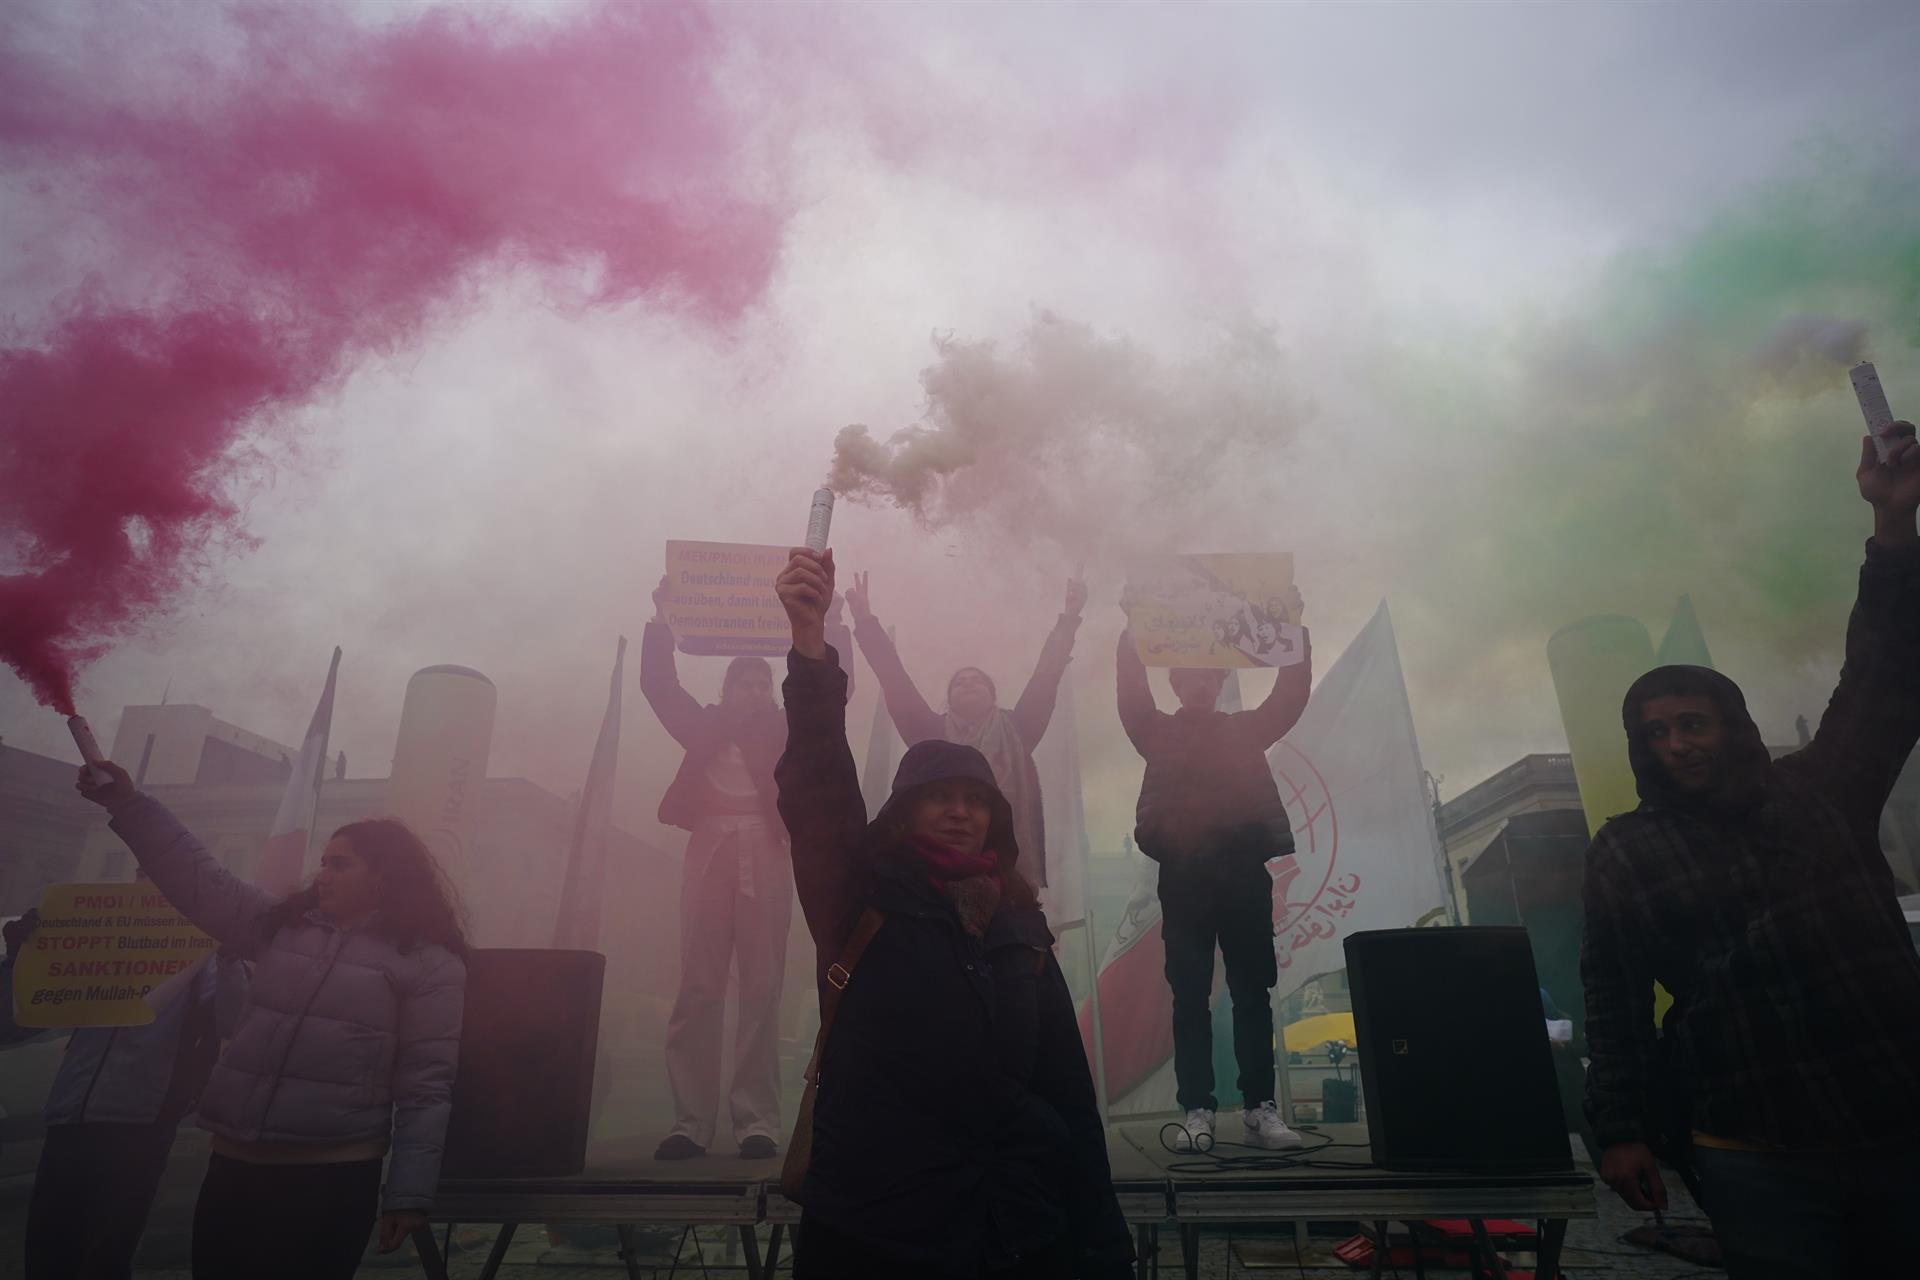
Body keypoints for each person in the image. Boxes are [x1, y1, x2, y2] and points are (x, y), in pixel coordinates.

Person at [1580, 425, 1920, 1277]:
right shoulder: (1628, 850)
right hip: (1750, 1140)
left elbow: (1883, 670)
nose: (1677, 746)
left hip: (1899, 1118)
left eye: (1692, 724)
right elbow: (1613, 1001)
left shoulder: (1822, 788)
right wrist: (1617, 1132)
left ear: (1731, 726)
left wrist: (1892, 527)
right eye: (1654, 734)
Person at [773, 547, 1133, 1280]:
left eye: (976, 802)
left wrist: (1102, 1248)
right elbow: (820, 781)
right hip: (879, 1229)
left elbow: (1067, 1091)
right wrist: (818, 643)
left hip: (1012, 1229)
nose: (961, 812)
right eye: (940, 797)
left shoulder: (1021, 927)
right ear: (904, 812)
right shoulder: (859, 899)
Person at [75, 761, 467, 1280]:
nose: (322, 873)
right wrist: (128, 804)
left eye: (341, 864)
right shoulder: (278, 927)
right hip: (235, 1167)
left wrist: (408, 1195)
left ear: (385, 876)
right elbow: (200, 878)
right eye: (324, 861)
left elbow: (425, 1086)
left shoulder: (430, 963)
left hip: (333, 1177)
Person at [1116, 619, 1311, 1152]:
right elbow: (1130, 692)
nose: (1200, 686)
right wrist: (1132, 630)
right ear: (1176, 685)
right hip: (1185, 875)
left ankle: (1258, 1109)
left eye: (1209, 678)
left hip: (1244, 871)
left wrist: (1293, 632)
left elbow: (1290, 695)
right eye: (1189, 678)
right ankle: (1196, 1110)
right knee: (1189, 995)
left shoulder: (1245, 730)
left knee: (1252, 993)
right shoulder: (1155, 730)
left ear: (1219, 684)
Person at [642, 575, 797, 1161]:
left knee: (762, 986)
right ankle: (690, 1122)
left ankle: (756, 1120)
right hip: (708, 845)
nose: (755, 690)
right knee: (699, 983)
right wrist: (661, 622)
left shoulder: (787, 729)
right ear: (728, 687)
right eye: (745, 681)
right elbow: (660, 685)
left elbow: (834, 694)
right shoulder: (702, 723)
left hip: (768, 848)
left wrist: (830, 628)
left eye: (764, 682)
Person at [2, 910, 245, 1280]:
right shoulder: (100, 942)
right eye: (139, 872)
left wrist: (229, 956)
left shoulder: (202, 956)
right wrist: (19, 959)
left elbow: (233, 1022)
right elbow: (12, 1026)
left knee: (104, 1258)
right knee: (48, 1253)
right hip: (70, 1116)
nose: (144, 878)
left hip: (140, 1123)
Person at [845, 569, 1086, 894]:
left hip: (1006, 869)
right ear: (950, 698)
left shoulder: (1020, 729)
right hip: (933, 872)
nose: (969, 684)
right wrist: (865, 621)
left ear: (993, 696)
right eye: (960, 682)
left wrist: (1070, 618)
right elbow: (894, 679)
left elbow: (1047, 673)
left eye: (977, 681)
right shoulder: (929, 736)